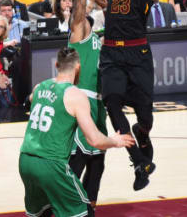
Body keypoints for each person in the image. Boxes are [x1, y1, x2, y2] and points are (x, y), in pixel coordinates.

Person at [91, 0, 161, 191]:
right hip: (112, 51)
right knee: (113, 103)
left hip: (138, 51)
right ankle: (138, 161)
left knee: (145, 117)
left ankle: (142, 136)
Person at [19, 46, 134, 217]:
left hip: (26, 161)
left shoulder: (39, 87)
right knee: (82, 211)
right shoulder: (75, 95)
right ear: (78, 67)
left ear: (57, 64)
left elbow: (27, 102)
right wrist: (115, 141)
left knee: (41, 213)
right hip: (51, 164)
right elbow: (94, 140)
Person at [67, 0, 108, 212]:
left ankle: (88, 207)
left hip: (98, 102)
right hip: (81, 98)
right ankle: (65, 204)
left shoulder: (101, 34)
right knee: (78, 160)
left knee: (98, 161)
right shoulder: (80, 31)